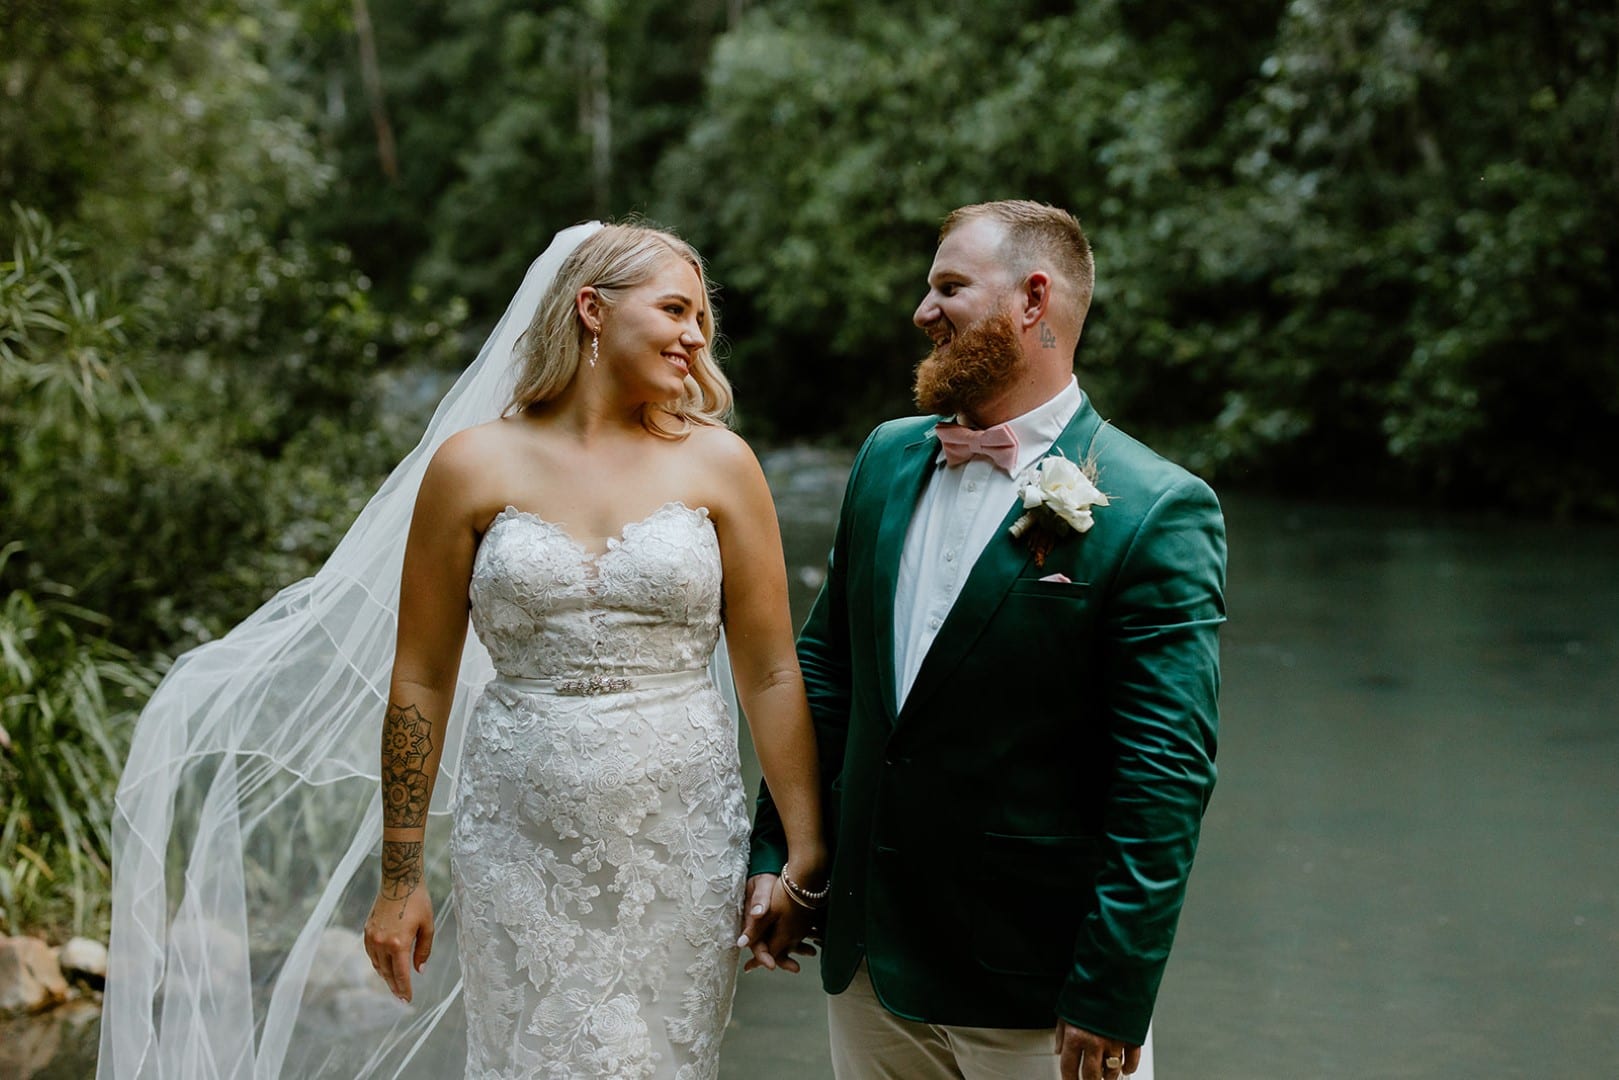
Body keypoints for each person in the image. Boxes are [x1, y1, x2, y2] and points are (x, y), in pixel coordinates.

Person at [100, 222, 823, 1080]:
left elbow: (771, 671)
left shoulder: (722, 464)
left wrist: (801, 854)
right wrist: (400, 874)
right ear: (592, 310)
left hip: (677, 845)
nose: (697, 336)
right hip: (517, 840)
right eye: (674, 309)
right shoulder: (471, 465)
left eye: (702, 316)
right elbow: (421, 677)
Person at [744, 200, 1226, 1080]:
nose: (922, 311)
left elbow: (1165, 774)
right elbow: (826, 672)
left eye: (948, 287)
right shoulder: (884, 459)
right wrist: (778, 851)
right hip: (866, 963)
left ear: (1032, 299)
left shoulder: (1156, 506)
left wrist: (1112, 987)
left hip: (1033, 987)